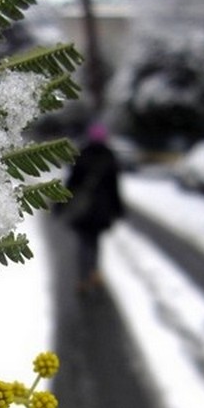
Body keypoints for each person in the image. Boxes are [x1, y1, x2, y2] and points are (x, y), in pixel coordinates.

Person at [65, 122, 124, 293]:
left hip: (83, 209)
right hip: (101, 209)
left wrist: (61, 204)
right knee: (96, 243)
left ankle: (83, 278)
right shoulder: (109, 157)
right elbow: (114, 188)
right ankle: (93, 272)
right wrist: (117, 209)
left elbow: (71, 184)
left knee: (83, 243)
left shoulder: (82, 155)